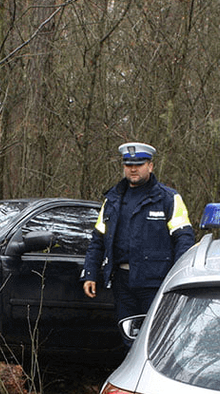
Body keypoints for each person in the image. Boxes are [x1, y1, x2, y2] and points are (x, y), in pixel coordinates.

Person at [81, 142, 194, 334]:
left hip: (156, 282)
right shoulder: (112, 199)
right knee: (128, 333)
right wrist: (90, 273)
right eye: (128, 165)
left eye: (139, 164)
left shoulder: (168, 199)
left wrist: (176, 278)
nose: (133, 169)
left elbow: (184, 239)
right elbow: (98, 239)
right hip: (122, 281)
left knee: (158, 335)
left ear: (150, 166)